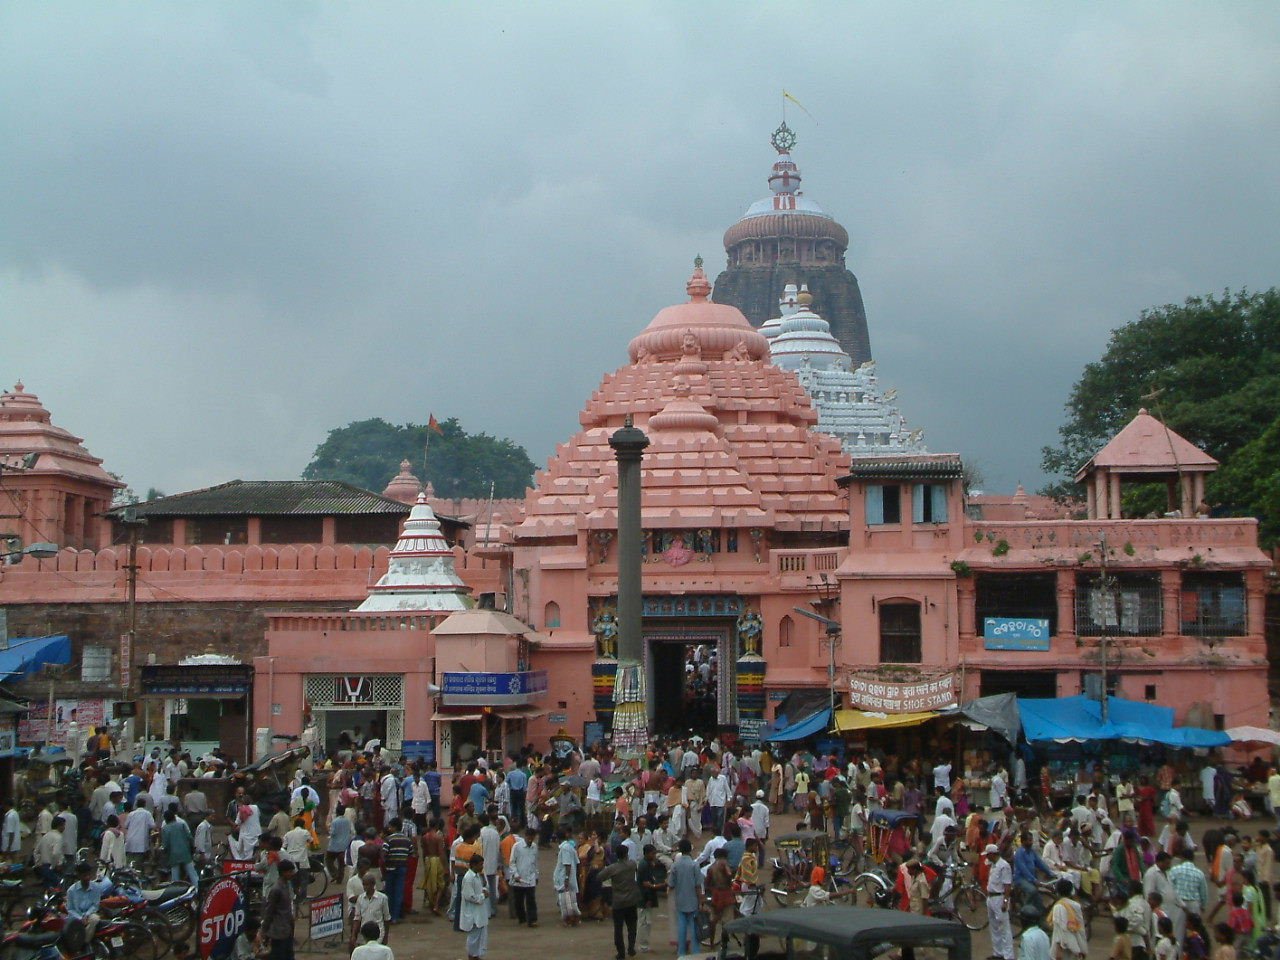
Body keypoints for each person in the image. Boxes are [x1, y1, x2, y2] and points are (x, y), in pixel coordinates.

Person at [600, 843, 643, 960]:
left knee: (618, 929)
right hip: (631, 900)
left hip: (618, 901)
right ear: (626, 854)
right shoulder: (632, 864)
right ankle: (631, 948)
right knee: (632, 926)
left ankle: (621, 952)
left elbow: (600, 877)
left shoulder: (612, 868)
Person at [670, 839, 704, 957]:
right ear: (690, 850)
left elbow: (671, 884)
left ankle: (681, 952)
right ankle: (695, 951)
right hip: (693, 900)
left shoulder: (675, 865)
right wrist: (701, 900)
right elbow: (698, 885)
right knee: (694, 927)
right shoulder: (694, 865)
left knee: (681, 926)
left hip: (680, 900)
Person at [258, 859, 297, 960]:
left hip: (287, 930)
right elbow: (269, 912)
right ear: (283, 873)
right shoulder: (276, 889)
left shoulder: (286, 885)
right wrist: (264, 931)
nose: (292, 874)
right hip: (278, 932)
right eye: (290, 872)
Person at [66, 860, 113, 937]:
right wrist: (80, 918)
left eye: (89, 875)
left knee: (95, 919)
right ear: (79, 876)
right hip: (76, 917)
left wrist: (87, 915)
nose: (87, 878)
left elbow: (95, 905)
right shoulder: (71, 890)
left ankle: (84, 941)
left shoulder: (96, 888)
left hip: (90, 915)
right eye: (84, 875)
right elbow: (70, 909)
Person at [636, 843, 666, 954]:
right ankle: (643, 945)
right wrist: (660, 886)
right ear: (647, 854)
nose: (654, 855)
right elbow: (646, 884)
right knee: (644, 922)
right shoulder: (644, 865)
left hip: (646, 896)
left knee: (646, 922)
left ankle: (644, 944)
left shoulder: (647, 864)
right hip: (644, 897)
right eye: (653, 853)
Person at [986, 844, 1015, 960]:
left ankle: (1008, 956)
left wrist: (1005, 901)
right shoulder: (993, 865)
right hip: (991, 898)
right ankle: (998, 953)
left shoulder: (1004, 866)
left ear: (992, 854)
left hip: (999, 898)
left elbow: (1007, 885)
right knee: (994, 927)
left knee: (1004, 928)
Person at [382, 818, 413, 922]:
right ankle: (395, 916)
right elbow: (411, 853)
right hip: (402, 868)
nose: (389, 828)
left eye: (390, 826)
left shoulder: (388, 839)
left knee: (389, 892)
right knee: (399, 892)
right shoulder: (407, 840)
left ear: (394, 827)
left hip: (390, 868)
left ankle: (389, 915)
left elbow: (383, 855)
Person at [459, 853, 490, 960]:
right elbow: (470, 896)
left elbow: (478, 889)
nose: (482, 867)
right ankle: (472, 956)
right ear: (473, 865)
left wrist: (483, 891)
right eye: (480, 864)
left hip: (479, 913)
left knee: (479, 938)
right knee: (473, 938)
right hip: (472, 914)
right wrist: (482, 896)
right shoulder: (468, 878)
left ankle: (476, 956)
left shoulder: (477, 876)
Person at [508, 826, 539, 927]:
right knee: (519, 901)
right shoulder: (517, 846)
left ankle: (532, 919)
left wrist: (536, 875)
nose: (530, 839)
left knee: (531, 900)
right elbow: (512, 862)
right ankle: (522, 917)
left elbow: (535, 862)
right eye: (528, 837)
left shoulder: (534, 847)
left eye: (532, 837)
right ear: (525, 836)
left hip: (530, 878)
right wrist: (516, 874)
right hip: (519, 879)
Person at [1049, 878, 1088, 960]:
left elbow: (1062, 930)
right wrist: (1082, 948)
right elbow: (1081, 928)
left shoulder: (1058, 907)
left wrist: (1059, 951)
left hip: (1064, 950)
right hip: (1077, 946)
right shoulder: (1076, 905)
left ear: (1058, 892)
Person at [351, 873, 391, 949]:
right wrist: (353, 935)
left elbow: (387, 918)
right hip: (364, 935)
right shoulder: (360, 898)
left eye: (367, 885)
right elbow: (357, 919)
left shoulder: (382, 898)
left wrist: (385, 937)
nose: (365, 887)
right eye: (364, 885)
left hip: (378, 935)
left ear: (373, 885)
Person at [161, 809, 198, 886]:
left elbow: (165, 845)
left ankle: (176, 891)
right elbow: (190, 838)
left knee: (175, 876)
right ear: (174, 817)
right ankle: (198, 889)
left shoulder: (165, 828)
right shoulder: (181, 825)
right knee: (192, 874)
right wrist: (193, 848)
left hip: (173, 855)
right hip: (185, 853)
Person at [552, 828, 580, 926]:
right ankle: (573, 920)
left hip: (565, 879)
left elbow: (567, 864)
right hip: (567, 877)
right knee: (570, 900)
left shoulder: (565, 848)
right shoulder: (568, 847)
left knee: (566, 902)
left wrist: (566, 878)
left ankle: (570, 920)